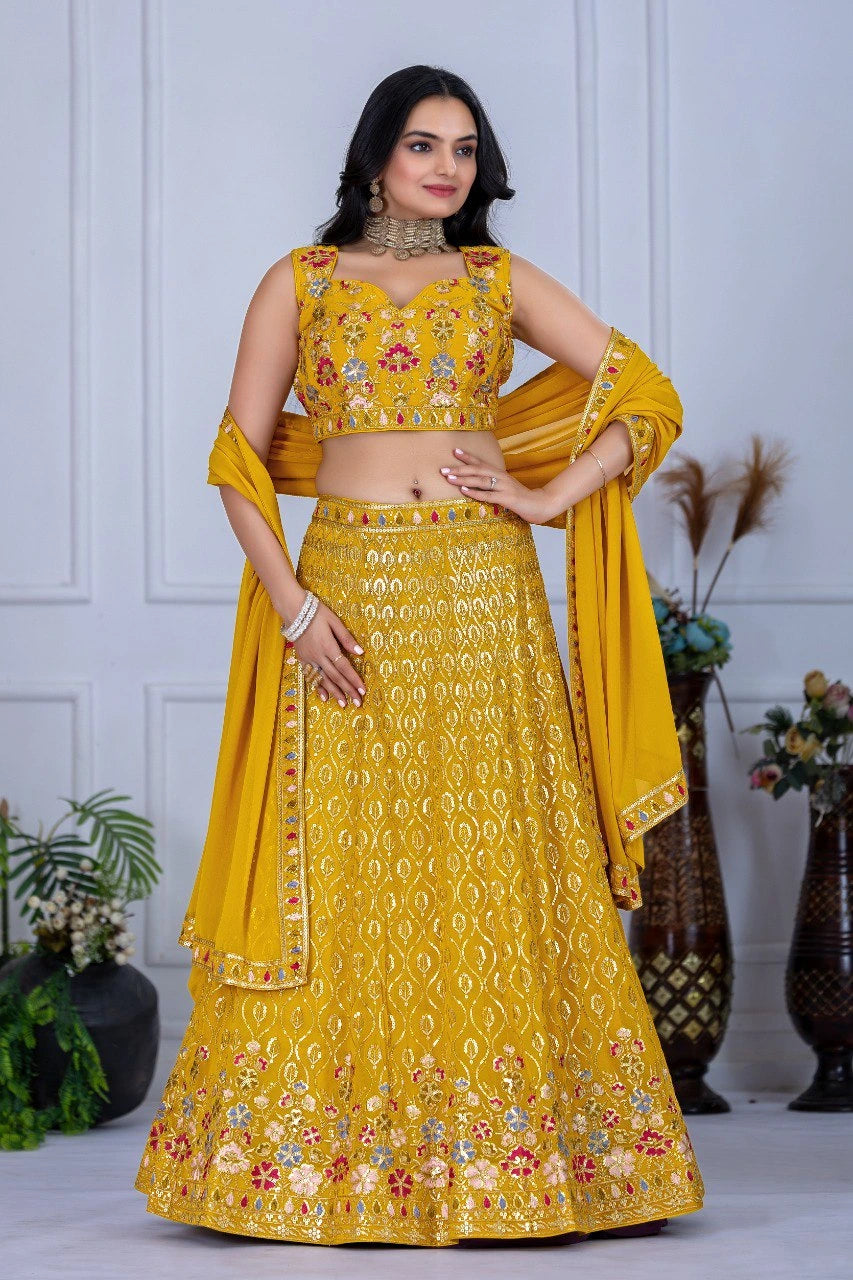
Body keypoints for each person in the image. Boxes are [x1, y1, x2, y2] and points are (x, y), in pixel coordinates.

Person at [135, 64, 705, 1246]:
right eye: (422, 144)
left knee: (493, 855)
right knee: (338, 861)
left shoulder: (493, 277)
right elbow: (238, 461)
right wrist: (295, 606)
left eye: (463, 149)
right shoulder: (300, 281)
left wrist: (550, 495)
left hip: (483, 595)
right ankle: (309, 1162)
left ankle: (523, 1161)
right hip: (347, 592)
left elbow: (642, 394)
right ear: (375, 154)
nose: (446, 167)